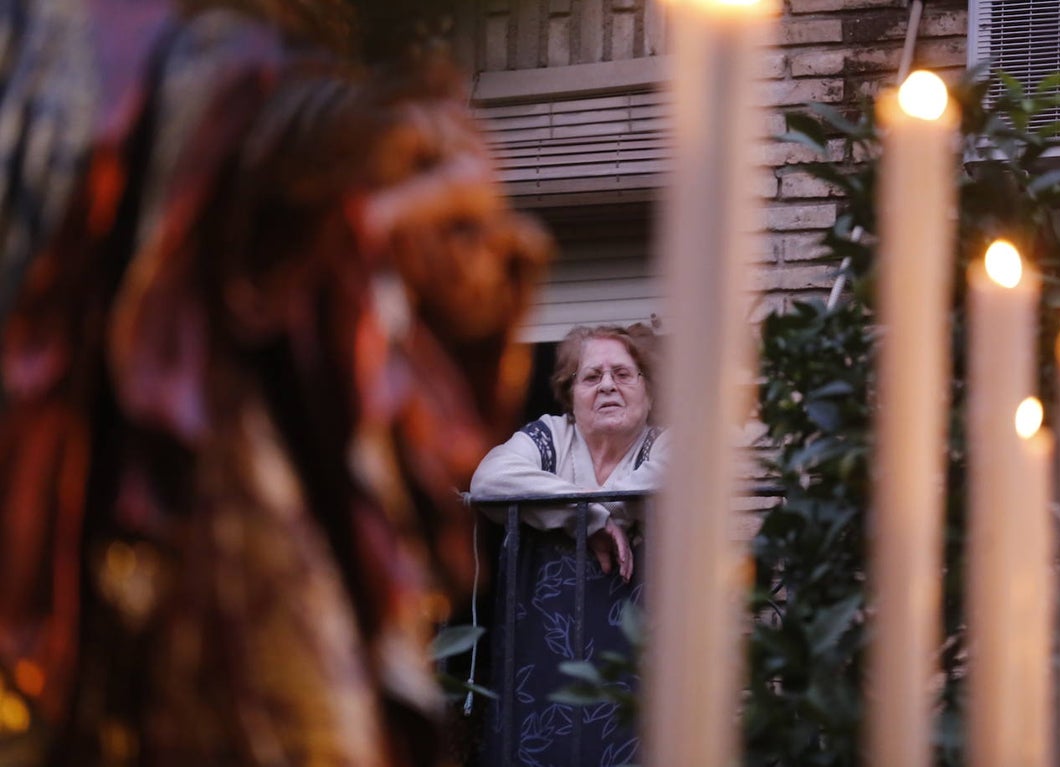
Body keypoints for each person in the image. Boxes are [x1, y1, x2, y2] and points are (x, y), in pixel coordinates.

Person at [0, 0, 549, 764]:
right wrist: (328, 139)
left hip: (238, 471)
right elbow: (137, 108)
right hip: (142, 498)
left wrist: (410, 237)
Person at [469, 323, 668, 767]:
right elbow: (487, 481)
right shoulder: (551, 437)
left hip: (639, 671)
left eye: (623, 373)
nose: (608, 387)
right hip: (544, 675)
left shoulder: (664, 445)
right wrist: (590, 521)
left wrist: (570, 510)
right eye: (591, 377)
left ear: (647, 390)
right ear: (570, 395)